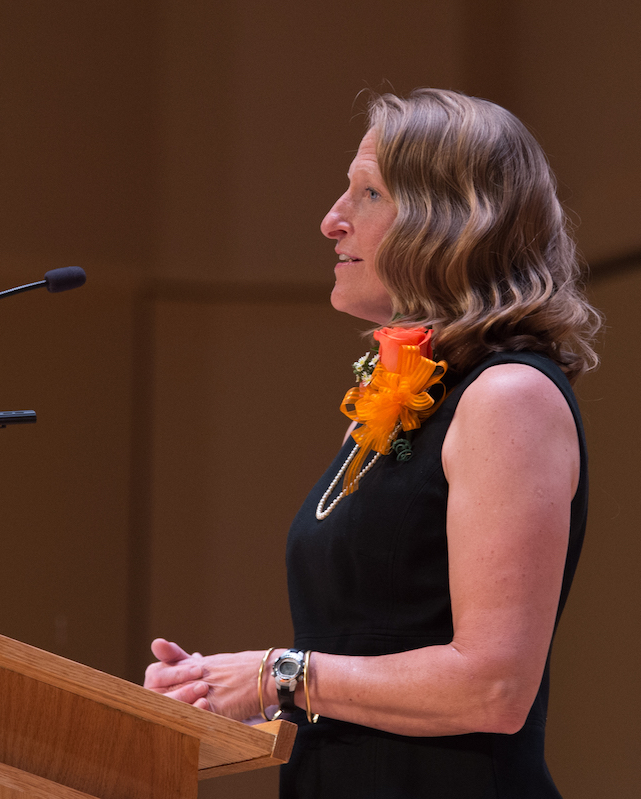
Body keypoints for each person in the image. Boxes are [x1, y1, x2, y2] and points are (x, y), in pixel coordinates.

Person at [144, 88, 601, 798]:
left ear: (449, 220)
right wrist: (219, 685)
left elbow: (495, 686)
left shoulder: (508, 398)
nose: (332, 220)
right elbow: (368, 649)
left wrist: (279, 674)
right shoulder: (416, 394)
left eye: (367, 194)